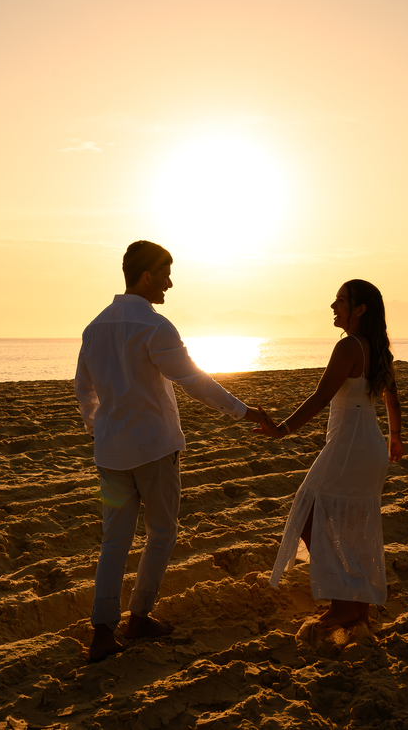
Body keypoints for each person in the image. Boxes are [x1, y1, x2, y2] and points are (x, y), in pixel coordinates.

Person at [75, 240, 272, 663]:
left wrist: (99, 428)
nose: (169, 282)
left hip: (111, 454)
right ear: (146, 276)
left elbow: (84, 390)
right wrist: (243, 411)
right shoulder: (154, 326)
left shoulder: (95, 327)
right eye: (165, 273)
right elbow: (193, 380)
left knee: (115, 542)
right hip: (154, 449)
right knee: (161, 534)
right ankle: (140, 616)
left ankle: (103, 630)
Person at [259, 279, 403, 630]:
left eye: (340, 301)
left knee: (307, 511)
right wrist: (395, 437)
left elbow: (321, 397)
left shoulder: (349, 346)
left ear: (359, 309)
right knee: (353, 526)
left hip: (349, 445)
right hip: (371, 444)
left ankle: (343, 605)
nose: (333, 306)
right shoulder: (378, 347)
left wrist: (282, 429)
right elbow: (392, 398)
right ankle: (359, 609)